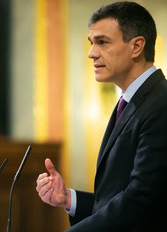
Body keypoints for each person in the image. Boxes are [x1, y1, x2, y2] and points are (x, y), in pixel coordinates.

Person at [35, 2, 167, 231]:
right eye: (91, 43)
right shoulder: (130, 101)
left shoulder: (161, 102)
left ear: (136, 46)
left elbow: (141, 201)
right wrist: (68, 198)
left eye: (102, 42)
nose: (91, 53)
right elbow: (116, 197)